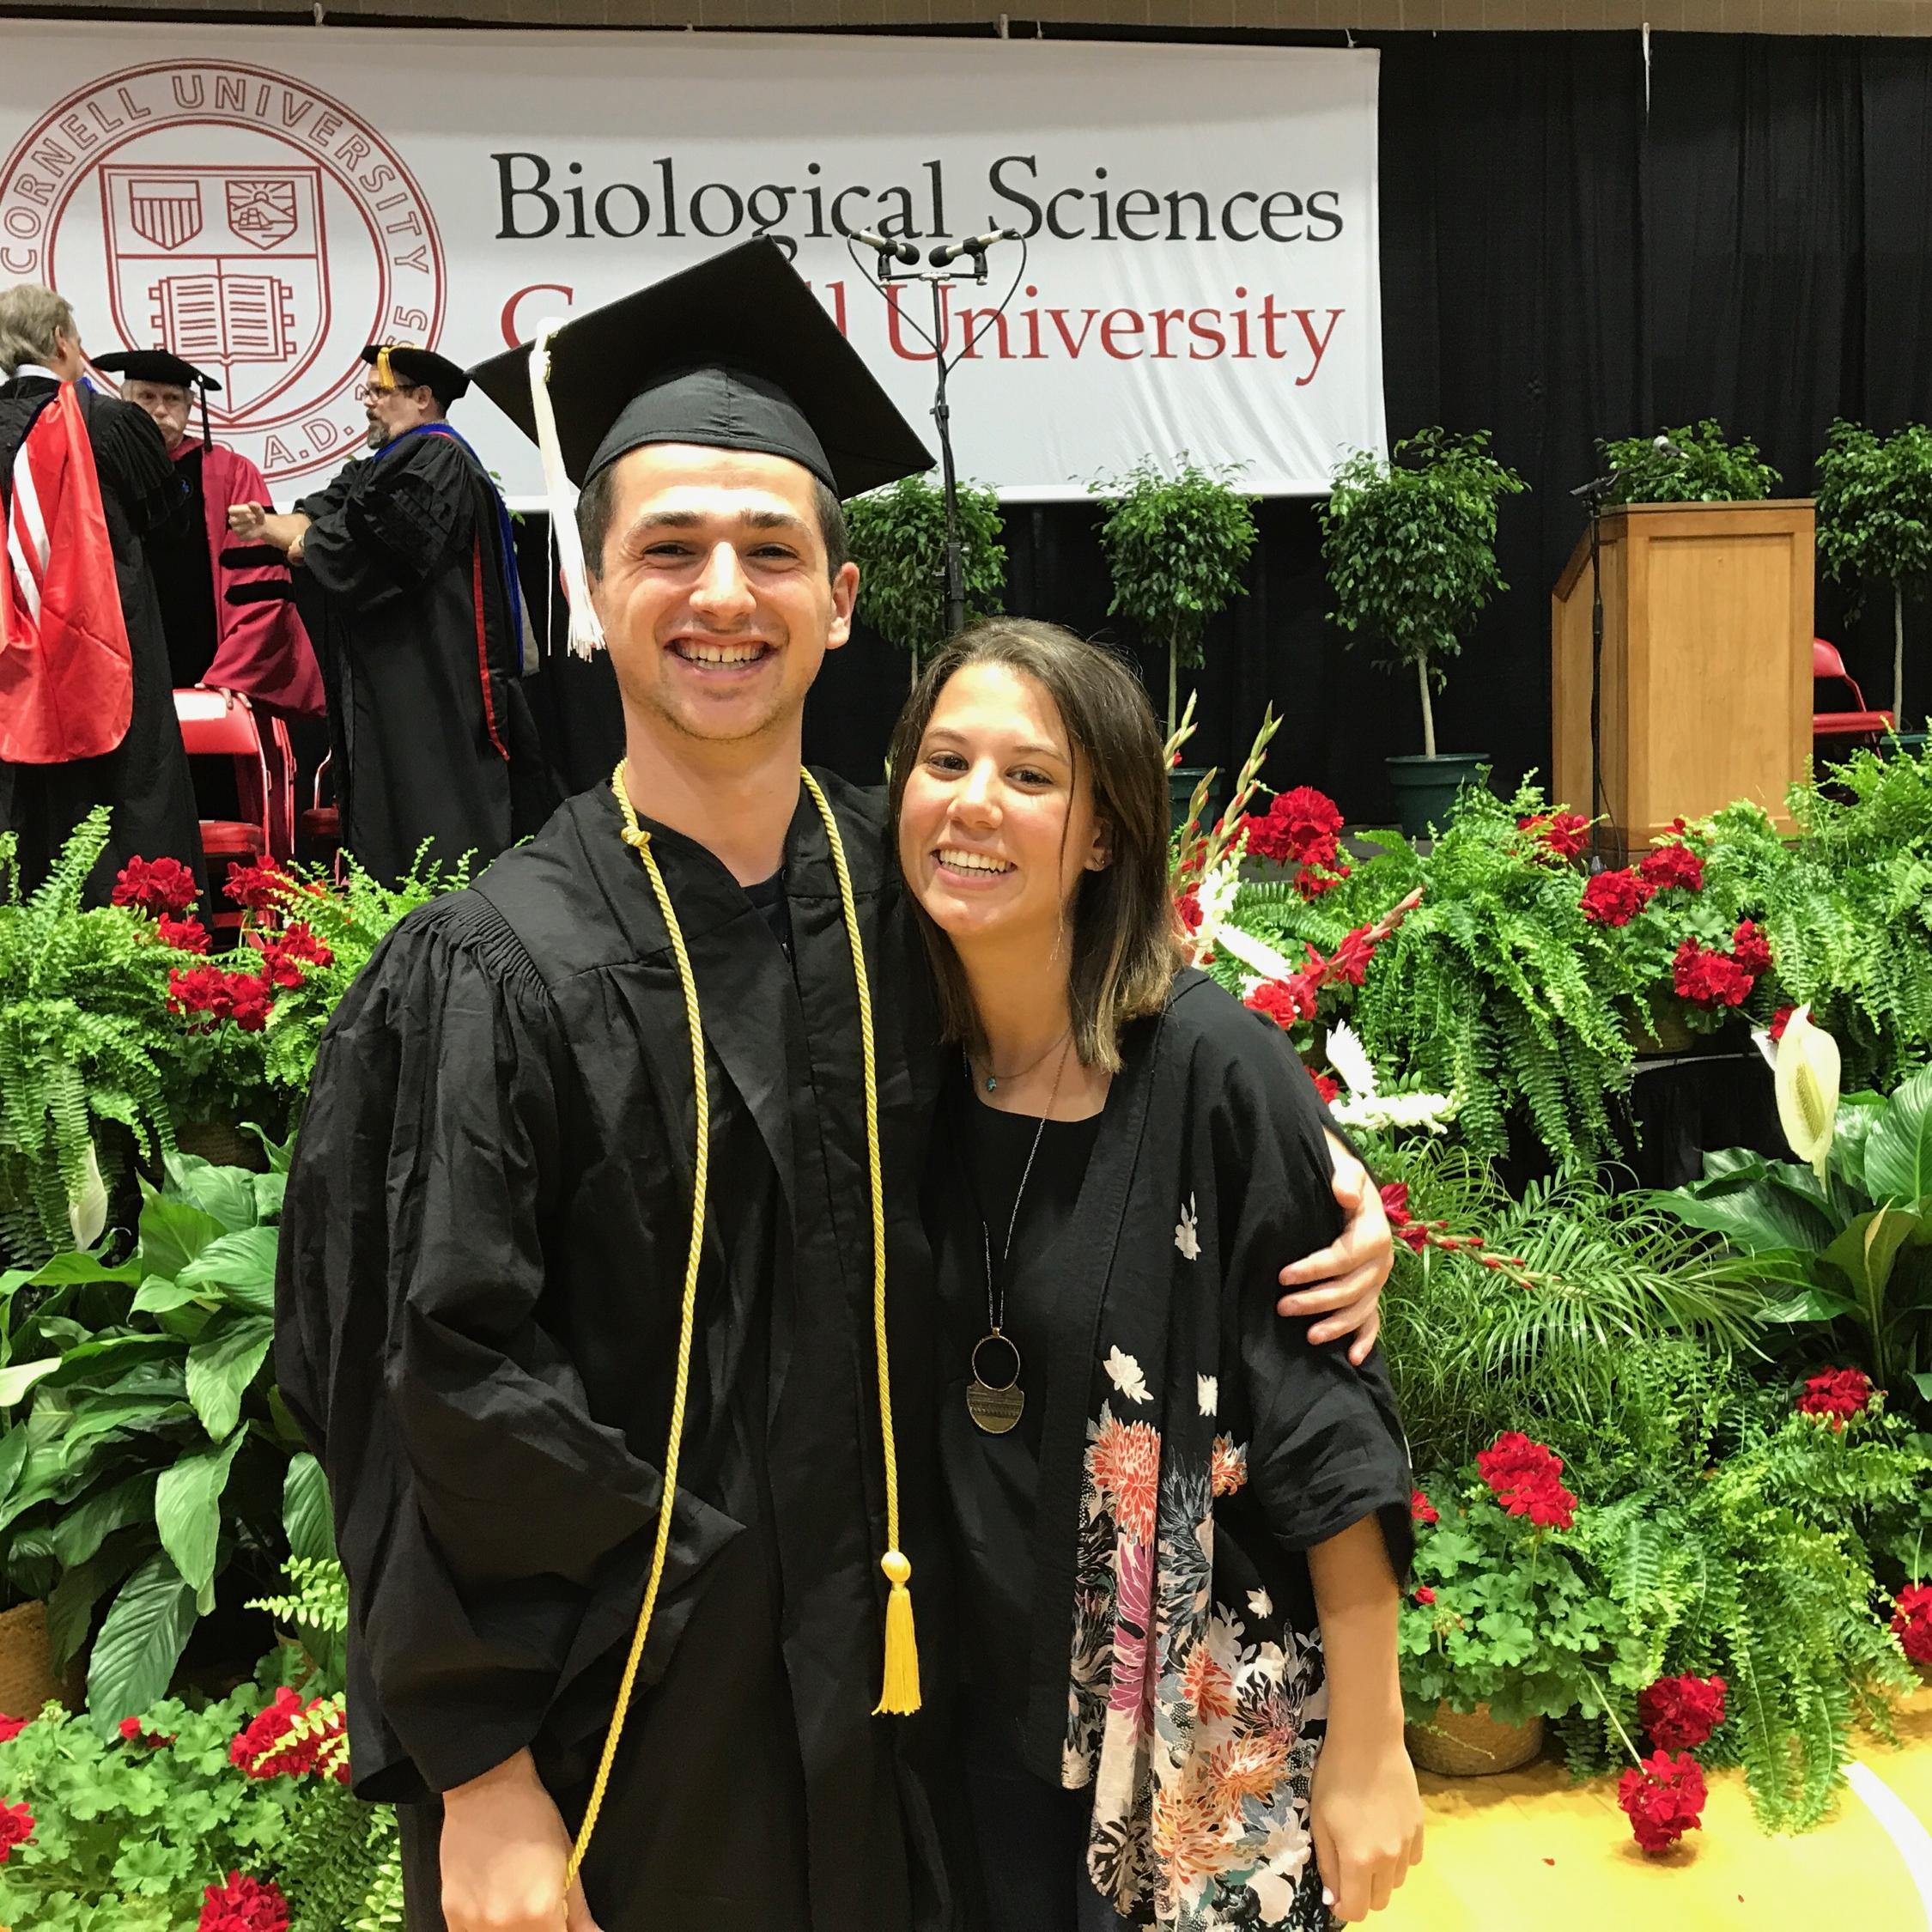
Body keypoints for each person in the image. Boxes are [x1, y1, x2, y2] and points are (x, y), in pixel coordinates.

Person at [276, 240, 1393, 1932]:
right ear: (592, 586)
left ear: (842, 600)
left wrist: (1329, 1194)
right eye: (670, 549)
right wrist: (479, 1773)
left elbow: (1130, 1082)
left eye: (772, 551)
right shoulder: (490, 975)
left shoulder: (911, 903)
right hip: (622, 1729)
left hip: (902, 1716)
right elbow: (403, 1384)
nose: (723, 593)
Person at [896, 620, 1422, 1930]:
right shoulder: (889, 1060)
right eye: (944, 761)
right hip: (965, 1706)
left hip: (1186, 1722)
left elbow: (1325, 1424)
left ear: (1102, 833)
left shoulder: (1209, 1072)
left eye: (1030, 775)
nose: (974, 800)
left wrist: (1370, 1745)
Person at [226, 343, 551, 884]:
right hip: (393, 674)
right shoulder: (381, 465)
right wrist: (269, 527)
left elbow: (383, 543)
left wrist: (311, 546)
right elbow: (319, 517)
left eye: (381, 391)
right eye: (368, 391)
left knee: (435, 807)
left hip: (434, 674)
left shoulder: (439, 457)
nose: (368, 401)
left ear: (422, 397)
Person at [0, 285, 202, 901]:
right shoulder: (110, 422)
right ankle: (140, 934)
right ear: (61, 341)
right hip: (109, 640)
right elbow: (171, 525)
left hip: (9, 649)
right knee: (128, 789)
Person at [93, 348, 324, 718]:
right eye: (146, 397)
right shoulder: (97, 473)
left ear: (190, 408)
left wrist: (234, 671)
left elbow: (260, 586)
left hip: (215, 682)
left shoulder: (231, 475)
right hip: (120, 682)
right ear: (123, 402)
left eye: (172, 399)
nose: (160, 410)